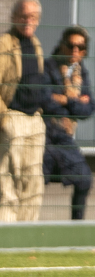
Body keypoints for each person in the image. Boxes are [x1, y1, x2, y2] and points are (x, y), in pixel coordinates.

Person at [0, 0, 47, 222]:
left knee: (33, 178)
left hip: (34, 118)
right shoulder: (5, 43)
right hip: (12, 115)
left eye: (33, 17)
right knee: (9, 176)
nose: (28, 21)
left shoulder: (36, 44)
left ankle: (28, 229)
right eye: (24, 16)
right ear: (14, 17)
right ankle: (5, 226)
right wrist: (3, 118)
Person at [41, 26, 94, 220]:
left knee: (84, 179)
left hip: (64, 137)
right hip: (44, 134)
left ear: (85, 52)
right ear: (62, 45)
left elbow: (88, 110)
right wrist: (76, 101)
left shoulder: (81, 73)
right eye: (71, 45)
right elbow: (45, 101)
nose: (74, 51)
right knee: (35, 181)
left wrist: (65, 99)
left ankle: (76, 225)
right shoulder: (48, 67)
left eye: (79, 47)